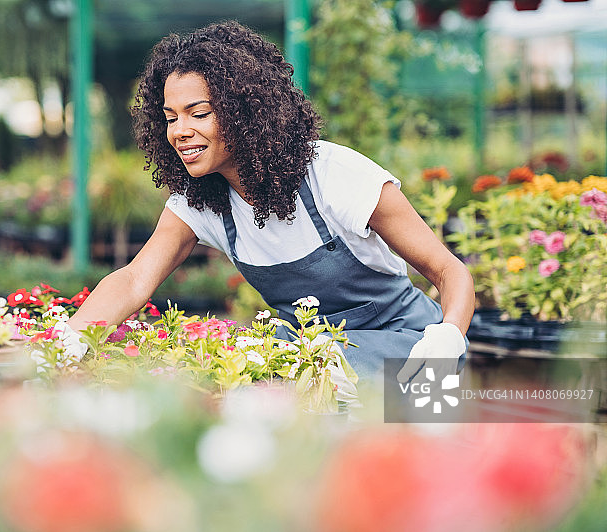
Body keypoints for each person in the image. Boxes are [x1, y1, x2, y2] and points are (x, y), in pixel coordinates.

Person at [56, 20, 474, 382]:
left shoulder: (333, 175)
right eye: (170, 117)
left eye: (198, 113)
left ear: (244, 111)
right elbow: (133, 280)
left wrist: (447, 336)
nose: (179, 131)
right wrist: (70, 340)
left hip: (412, 355)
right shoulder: (200, 201)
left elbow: (450, 271)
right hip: (311, 359)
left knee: (420, 462)